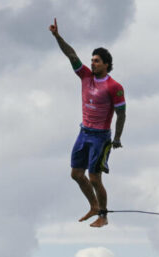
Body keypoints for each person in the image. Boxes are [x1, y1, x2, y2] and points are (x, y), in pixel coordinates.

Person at [49, 17, 126, 228]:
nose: (92, 63)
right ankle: (93, 205)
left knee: (94, 178)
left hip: (101, 137)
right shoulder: (85, 76)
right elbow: (71, 54)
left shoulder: (114, 86)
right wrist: (57, 36)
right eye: (92, 60)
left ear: (107, 65)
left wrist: (117, 138)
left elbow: (121, 113)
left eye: (97, 61)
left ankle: (103, 215)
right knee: (76, 174)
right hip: (84, 132)